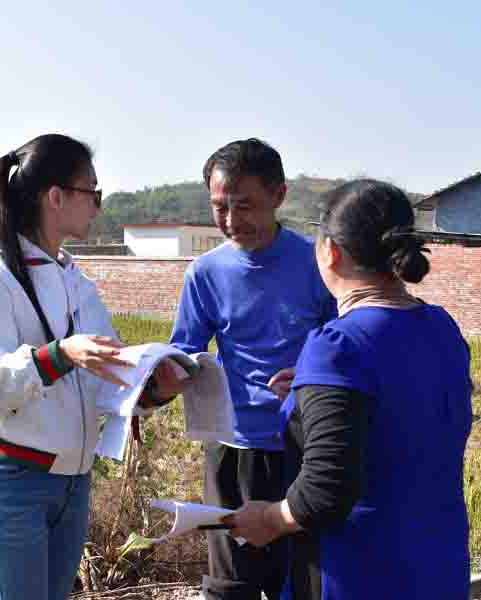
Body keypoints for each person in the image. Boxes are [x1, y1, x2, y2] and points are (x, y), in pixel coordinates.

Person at [0, 134, 183, 600]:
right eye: (92, 192)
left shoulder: (75, 281)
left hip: (72, 484)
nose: (97, 206)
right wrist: (58, 356)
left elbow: (105, 376)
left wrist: (155, 389)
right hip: (13, 483)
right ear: (54, 197)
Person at [226, 180, 473, 599]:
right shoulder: (441, 327)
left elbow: (327, 491)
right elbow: (401, 408)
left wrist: (267, 519)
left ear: (330, 251)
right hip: (438, 562)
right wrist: (310, 398)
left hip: (360, 571)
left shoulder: (338, 345)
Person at [169, 138, 336, 600]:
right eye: (219, 207)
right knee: (232, 585)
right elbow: (184, 350)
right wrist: (152, 382)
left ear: (279, 195)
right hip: (233, 448)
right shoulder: (205, 273)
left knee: (303, 579)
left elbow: (342, 346)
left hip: (303, 447)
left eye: (244, 206)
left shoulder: (318, 265)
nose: (230, 220)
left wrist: (310, 376)